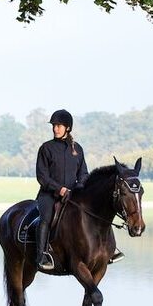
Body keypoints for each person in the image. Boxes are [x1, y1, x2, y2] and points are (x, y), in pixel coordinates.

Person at [34, 109, 124, 270]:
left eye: (58, 125)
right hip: (49, 195)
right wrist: (60, 189)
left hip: (73, 194)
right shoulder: (46, 148)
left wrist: (79, 187)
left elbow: (83, 173)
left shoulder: (78, 149)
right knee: (46, 218)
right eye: (54, 125)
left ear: (67, 128)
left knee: (98, 213)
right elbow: (42, 177)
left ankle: (110, 249)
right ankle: (42, 255)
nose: (55, 128)